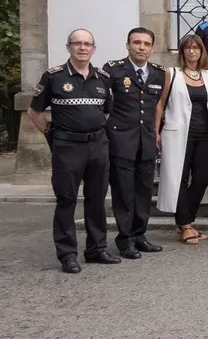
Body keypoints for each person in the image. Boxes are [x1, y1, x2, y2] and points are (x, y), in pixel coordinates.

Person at [27, 29, 119, 273]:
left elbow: (106, 112)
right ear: (68, 47)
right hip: (67, 147)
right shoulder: (54, 77)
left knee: (97, 199)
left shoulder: (102, 78)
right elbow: (34, 112)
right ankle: (67, 254)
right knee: (66, 199)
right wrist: (50, 134)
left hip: (97, 146)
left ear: (94, 49)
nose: (82, 48)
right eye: (77, 43)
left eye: (87, 44)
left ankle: (96, 249)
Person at [102, 28, 165, 259]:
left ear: (152, 48)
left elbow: (157, 106)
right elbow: (104, 104)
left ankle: (140, 235)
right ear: (128, 45)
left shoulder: (158, 73)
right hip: (121, 141)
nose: (141, 47)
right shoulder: (114, 69)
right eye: (137, 42)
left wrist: (156, 134)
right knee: (124, 192)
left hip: (146, 141)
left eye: (146, 44)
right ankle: (125, 238)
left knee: (143, 191)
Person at [155, 35, 208, 246]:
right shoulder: (172, 74)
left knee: (202, 177)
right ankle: (185, 225)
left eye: (196, 48)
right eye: (188, 47)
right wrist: (156, 131)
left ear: (202, 51)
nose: (192, 51)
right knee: (179, 179)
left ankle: (184, 220)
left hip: (204, 134)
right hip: (177, 134)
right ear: (182, 51)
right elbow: (160, 104)